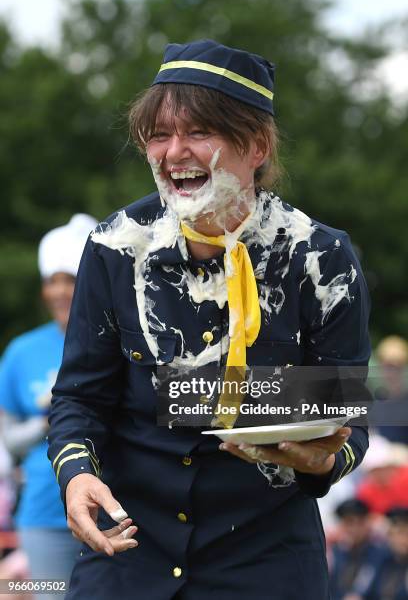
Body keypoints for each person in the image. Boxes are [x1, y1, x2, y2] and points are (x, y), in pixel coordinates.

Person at [47, 40, 371, 599]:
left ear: (258, 146)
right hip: (128, 551)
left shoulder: (321, 258)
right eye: (159, 135)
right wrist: (76, 475)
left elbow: (346, 418)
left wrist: (322, 460)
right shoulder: (115, 246)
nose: (175, 153)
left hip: (266, 561)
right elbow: (80, 397)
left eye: (199, 132)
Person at [0, 214, 97, 598]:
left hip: (113, 509)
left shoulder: (119, 344)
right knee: (52, 595)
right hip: (43, 515)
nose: (59, 292)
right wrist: (48, 420)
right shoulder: (22, 351)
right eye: (51, 281)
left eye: (70, 280)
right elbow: (8, 442)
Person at [328, 498, 388, 600]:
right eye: (347, 523)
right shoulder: (335, 552)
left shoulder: (380, 553)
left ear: (367, 523)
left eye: (358, 522)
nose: (352, 529)